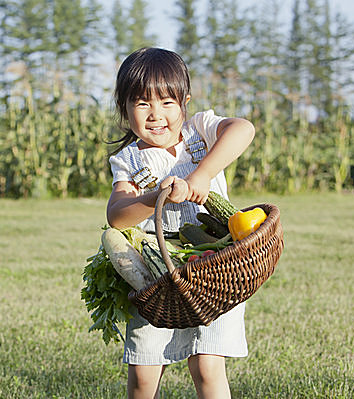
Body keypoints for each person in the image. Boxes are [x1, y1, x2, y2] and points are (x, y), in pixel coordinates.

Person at [106, 47, 255, 399]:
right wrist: (151, 196)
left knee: (206, 365)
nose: (156, 114)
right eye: (142, 103)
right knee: (144, 372)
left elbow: (243, 129)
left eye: (167, 103)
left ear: (185, 102)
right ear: (124, 108)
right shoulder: (127, 161)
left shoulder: (200, 131)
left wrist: (202, 176)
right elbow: (116, 215)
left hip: (213, 271)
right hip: (158, 276)